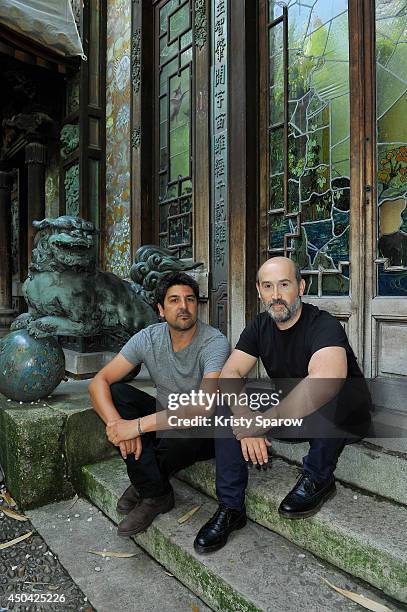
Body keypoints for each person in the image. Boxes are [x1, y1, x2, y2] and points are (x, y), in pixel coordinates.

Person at [193, 256, 371, 554]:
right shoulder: (260, 326)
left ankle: (318, 478)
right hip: (293, 414)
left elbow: (325, 382)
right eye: (268, 286)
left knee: (328, 387)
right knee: (228, 400)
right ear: (260, 291)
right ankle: (231, 508)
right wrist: (245, 421)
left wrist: (262, 422)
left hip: (341, 418)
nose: (275, 294)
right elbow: (230, 373)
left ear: (300, 287)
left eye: (284, 284)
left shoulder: (323, 324)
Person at [88, 272, 230, 537]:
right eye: (174, 300)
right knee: (118, 393)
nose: (183, 307)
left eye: (189, 300)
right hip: (165, 418)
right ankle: (156, 492)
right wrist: (117, 425)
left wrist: (137, 427)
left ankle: (145, 486)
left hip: (203, 429)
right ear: (161, 309)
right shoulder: (148, 338)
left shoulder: (214, 342)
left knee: (183, 430)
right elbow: (99, 382)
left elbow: (203, 406)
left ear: (197, 306)